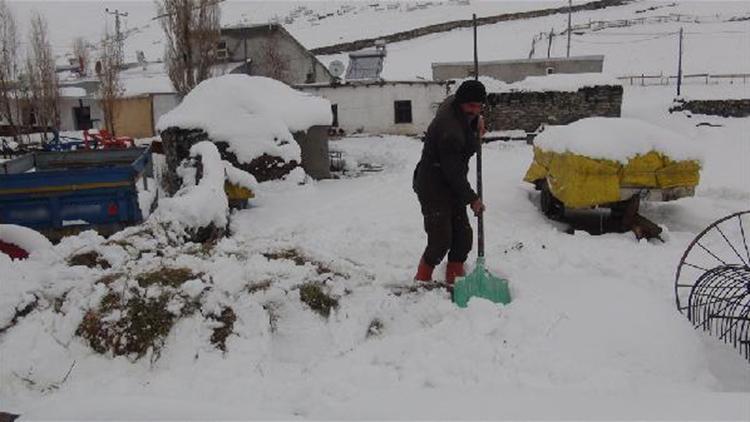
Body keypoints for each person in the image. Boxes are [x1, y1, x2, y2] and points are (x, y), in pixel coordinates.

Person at [412, 80, 487, 284]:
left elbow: (468, 116)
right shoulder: (449, 131)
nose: (475, 110)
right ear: (461, 102)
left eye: (479, 106)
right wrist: (472, 199)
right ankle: (422, 279)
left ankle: (454, 279)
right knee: (440, 241)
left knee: (463, 237)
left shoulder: (456, 105)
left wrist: (475, 122)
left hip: (451, 184)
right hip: (433, 186)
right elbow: (452, 172)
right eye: (471, 106)